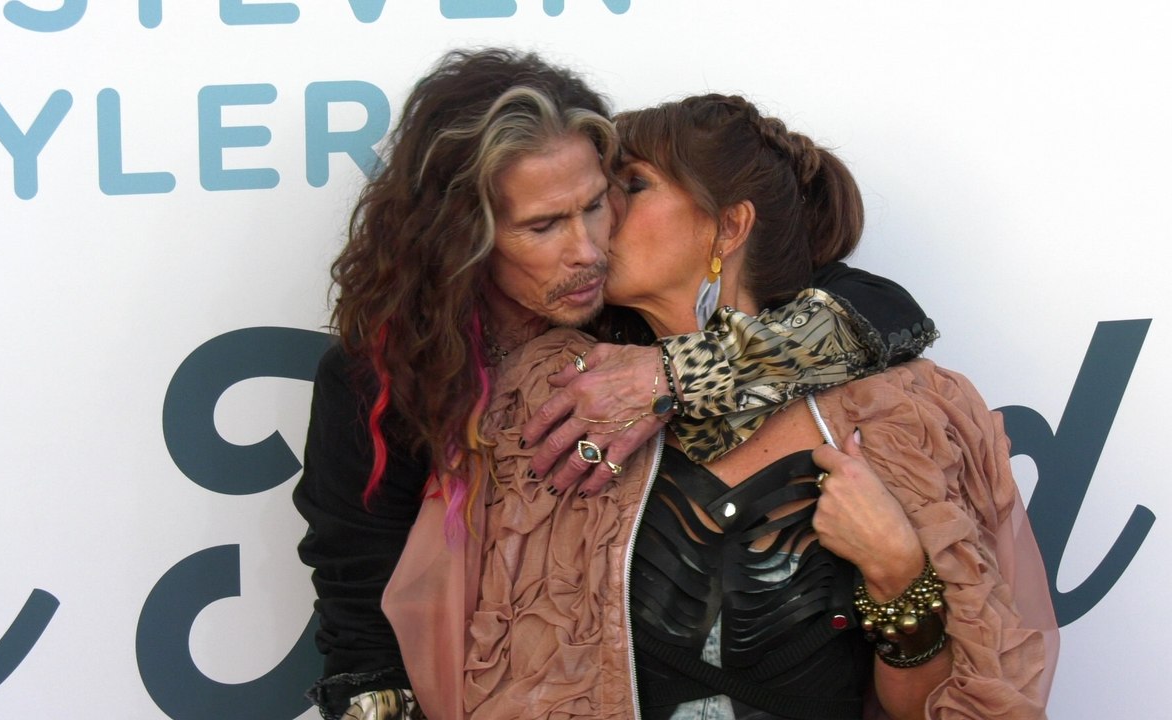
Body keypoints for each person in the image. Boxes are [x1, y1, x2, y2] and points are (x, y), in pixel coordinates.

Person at [294, 48, 936, 719]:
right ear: (462, 235)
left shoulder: (633, 313)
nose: (589, 250)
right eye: (543, 226)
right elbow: (357, 601)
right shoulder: (380, 378)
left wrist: (672, 373)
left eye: (597, 204)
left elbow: (887, 314)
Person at [451, 94, 1058, 719]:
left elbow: (939, 706)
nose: (604, 215)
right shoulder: (560, 395)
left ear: (730, 227)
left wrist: (897, 571)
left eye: (632, 184)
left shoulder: (904, 415)